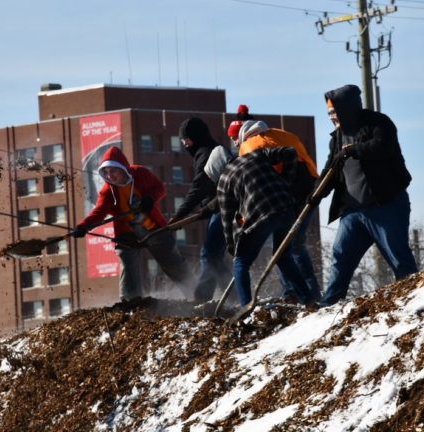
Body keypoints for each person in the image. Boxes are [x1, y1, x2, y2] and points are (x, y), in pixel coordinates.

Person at [316, 84, 418, 306]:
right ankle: (328, 307)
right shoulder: (337, 138)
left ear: (347, 108)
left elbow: (382, 147)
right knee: (340, 260)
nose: (332, 117)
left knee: (398, 258)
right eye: (329, 113)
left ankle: (413, 301)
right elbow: (330, 171)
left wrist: (354, 150)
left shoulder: (378, 123)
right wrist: (316, 193)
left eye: (334, 112)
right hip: (353, 212)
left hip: (386, 206)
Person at [73, 146, 194, 302]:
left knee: (173, 263)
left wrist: (150, 199)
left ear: (123, 168)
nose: (110, 176)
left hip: (154, 228)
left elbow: (160, 188)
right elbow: (99, 213)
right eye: (106, 172)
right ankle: (131, 303)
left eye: (113, 171)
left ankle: (196, 294)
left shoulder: (141, 174)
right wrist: (84, 226)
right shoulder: (107, 192)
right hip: (127, 234)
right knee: (128, 263)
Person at [216, 146, 316, 307]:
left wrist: (233, 246)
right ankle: (308, 300)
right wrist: (285, 182)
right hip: (287, 207)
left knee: (241, 261)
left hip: (261, 215)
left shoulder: (223, 181)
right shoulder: (255, 155)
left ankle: (246, 307)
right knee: (283, 256)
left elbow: (227, 220)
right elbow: (290, 152)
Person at [237, 119, 322, 301]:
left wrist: (285, 183)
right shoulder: (284, 135)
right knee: (294, 246)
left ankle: (296, 293)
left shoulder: (249, 146)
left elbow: (254, 187)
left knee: (285, 249)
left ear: (244, 136)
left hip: (286, 197)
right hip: (311, 187)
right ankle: (308, 293)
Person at [172, 117, 232, 302]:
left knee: (210, 254)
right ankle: (236, 296)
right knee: (215, 257)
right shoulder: (207, 151)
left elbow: (198, 190)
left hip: (224, 208)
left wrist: (178, 216)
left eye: (186, 139)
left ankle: (201, 297)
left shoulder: (206, 154)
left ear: (195, 138)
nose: (184, 144)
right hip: (219, 207)